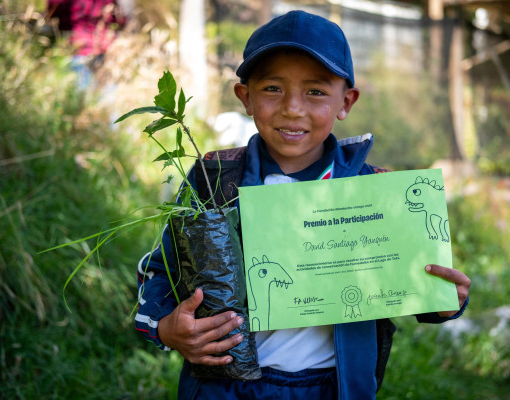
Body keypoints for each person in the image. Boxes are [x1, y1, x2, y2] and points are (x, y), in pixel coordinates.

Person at [135, 10, 471, 400]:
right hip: (225, 387)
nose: (293, 108)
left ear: (346, 102)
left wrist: (445, 300)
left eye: (315, 92)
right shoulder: (213, 180)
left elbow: (409, 282)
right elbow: (158, 270)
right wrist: (165, 328)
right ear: (245, 96)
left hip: (334, 387)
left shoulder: (375, 189)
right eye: (273, 89)